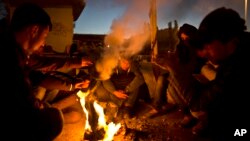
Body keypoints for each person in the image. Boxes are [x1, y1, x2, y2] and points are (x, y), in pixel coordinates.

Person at [0, 3, 63, 140]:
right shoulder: (9, 58)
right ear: (34, 30)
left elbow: (31, 78)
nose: (44, 43)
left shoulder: (13, 50)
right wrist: (37, 108)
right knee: (54, 121)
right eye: (45, 36)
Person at [186, 7, 250, 140]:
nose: (205, 52)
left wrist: (178, 73)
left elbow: (199, 103)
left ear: (227, 39)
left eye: (208, 45)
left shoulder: (238, 67)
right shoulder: (229, 61)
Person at [94, 55, 145, 119]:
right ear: (120, 60)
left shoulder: (133, 66)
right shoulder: (112, 65)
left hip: (127, 88)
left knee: (136, 86)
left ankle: (127, 108)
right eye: (124, 62)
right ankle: (116, 107)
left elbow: (140, 78)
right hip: (115, 88)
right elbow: (106, 80)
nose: (126, 65)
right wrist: (114, 91)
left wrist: (127, 90)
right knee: (102, 89)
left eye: (128, 63)